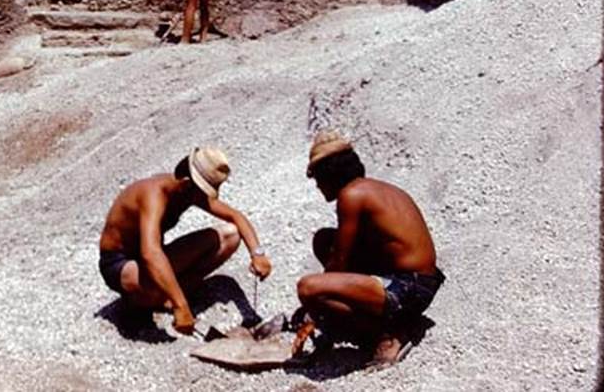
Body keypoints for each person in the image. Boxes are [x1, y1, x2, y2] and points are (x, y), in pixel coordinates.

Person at [291, 130, 445, 366]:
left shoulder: (351, 196)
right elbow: (342, 252)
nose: (318, 187)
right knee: (323, 240)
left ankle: (387, 335)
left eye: (317, 179)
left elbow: (339, 264)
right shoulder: (370, 188)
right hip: (421, 281)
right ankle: (385, 320)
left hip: (409, 287)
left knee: (309, 288)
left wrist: (315, 313)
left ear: (329, 174)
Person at [98, 147, 272, 335]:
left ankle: (166, 296)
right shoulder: (154, 194)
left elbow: (235, 216)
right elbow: (150, 252)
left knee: (231, 235)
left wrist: (257, 253)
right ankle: (144, 301)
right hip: (120, 264)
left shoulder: (188, 191)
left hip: (149, 258)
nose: (206, 197)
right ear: (188, 183)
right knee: (155, 284)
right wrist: (180, 305)